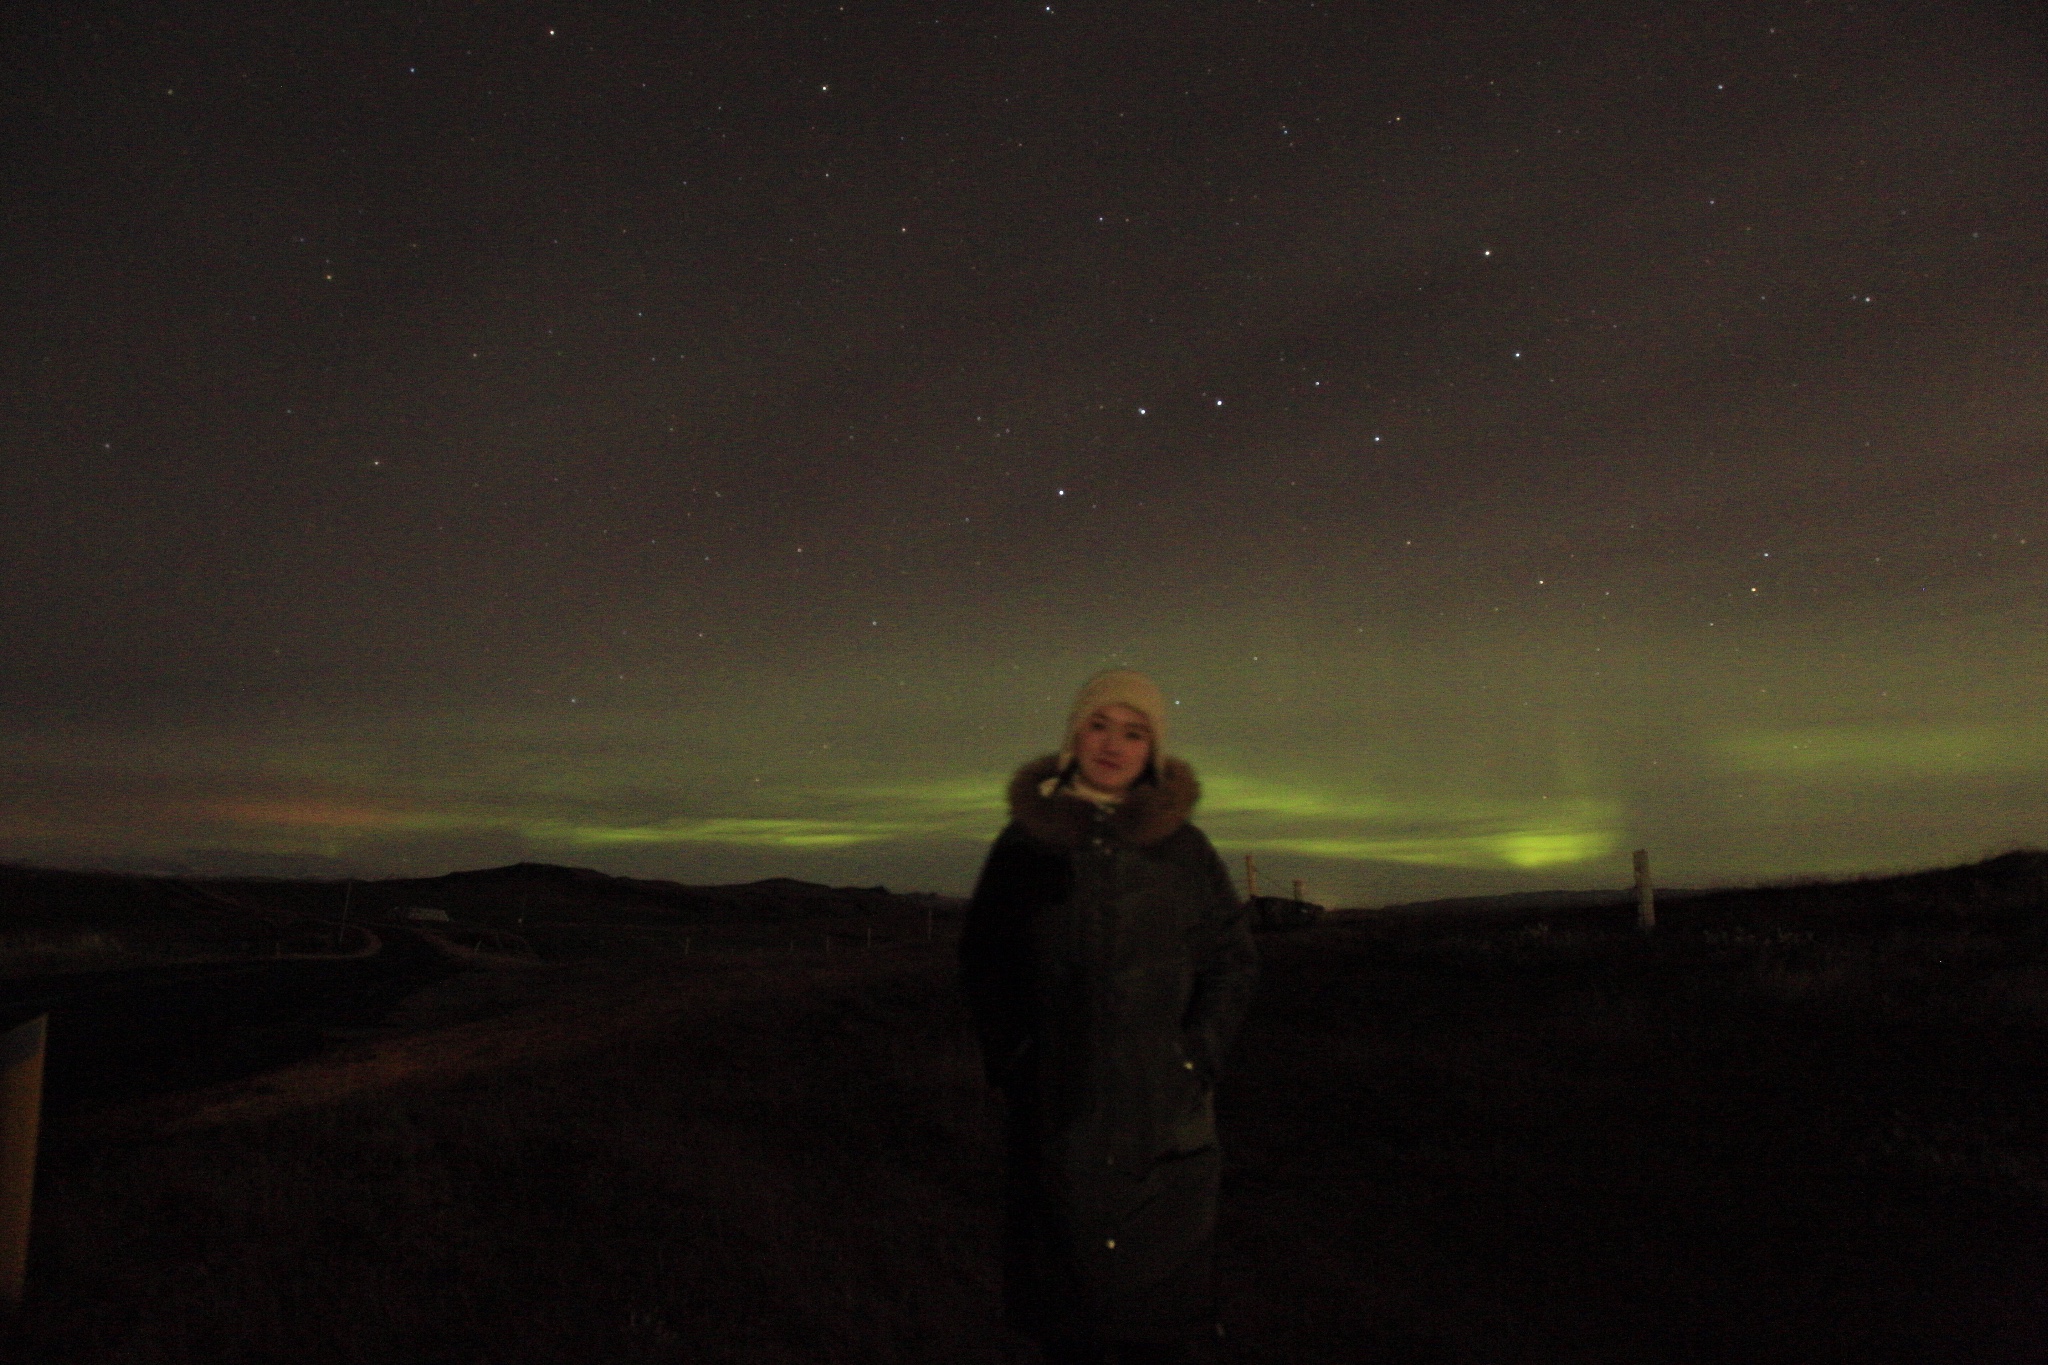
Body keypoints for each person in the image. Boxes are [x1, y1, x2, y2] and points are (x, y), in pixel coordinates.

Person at [960, 671, 1259, 1364]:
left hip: (1166, 1129)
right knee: (1072, 1325)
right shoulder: (1027, 846)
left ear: (1153, 748)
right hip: (1059, 1122)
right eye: (1100, 724)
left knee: (1158, 1325)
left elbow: (1232, 960)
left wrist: (1195, 1056)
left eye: (1135, 730)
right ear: (1073, 735)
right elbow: (986, 961)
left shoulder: (1182, 850)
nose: (1114, 743)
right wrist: (1016, 1060)